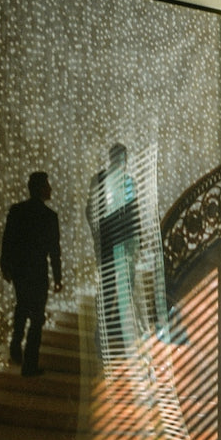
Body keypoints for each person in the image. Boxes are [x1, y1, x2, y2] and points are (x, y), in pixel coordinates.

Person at [0, 171, 62, 376]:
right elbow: (54, 250)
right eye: (48, 185)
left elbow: (7, 240)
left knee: (22, 307)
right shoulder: (49, 217)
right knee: (36, 318)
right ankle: (29, 363)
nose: (51, 189)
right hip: (37, 271)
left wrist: (5, 266)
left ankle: (16, 347)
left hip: (20, 270)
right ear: (40, 189)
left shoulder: (17, 211)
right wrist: (58, 277)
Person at [86, 143, 139, 363]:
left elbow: (131, 212)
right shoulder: (108, 180)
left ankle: (109, 328)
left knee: (118, 286)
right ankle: (104, 332)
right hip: (114, 242)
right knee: (113, 286)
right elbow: (92, 210)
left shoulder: (125, 182)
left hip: (118, 242)